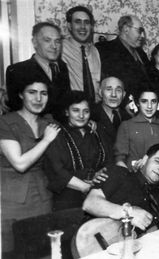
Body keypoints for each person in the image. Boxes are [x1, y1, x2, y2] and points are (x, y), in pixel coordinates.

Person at [0, 79, 60, 254]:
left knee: (42, 251)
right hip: (10, 201)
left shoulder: (48, 122)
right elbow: (19, 163)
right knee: (12, 252)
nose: (38, 99)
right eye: (32, 92)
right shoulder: (5, 122)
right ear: (20, 94)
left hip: (43, 197)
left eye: (44, 93)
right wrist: (47, 139)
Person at [83, 143, 159, 231]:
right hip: (94, 243)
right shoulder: (119, 173)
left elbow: (158, 235)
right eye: (157, 161)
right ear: (145, 159)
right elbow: (90, 203)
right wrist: (129, 213)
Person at [44, 91, 113, 211]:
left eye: (86, 111)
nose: (81, 116)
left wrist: (100, 174)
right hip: (68, 198)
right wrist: (86, 187)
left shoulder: (96, 132)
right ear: (66, 112)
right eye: (75, 110)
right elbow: (57, 172)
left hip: (97, 196)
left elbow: (109, 160)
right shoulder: (57, 135)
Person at [6, 22, 71, 119]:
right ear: (35, 42)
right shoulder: (17, 71)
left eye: (57, 41)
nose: (54, 46)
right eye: (47, 40)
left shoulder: (63, 68)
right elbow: (17, 113)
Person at [96, 15, 149, 109]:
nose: (142, 36)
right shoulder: (105, 49)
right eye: (139, 31)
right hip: (120, 109)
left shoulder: (141, 53)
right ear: (126, 29)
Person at [114, 88, 159, 171]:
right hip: (132, 178)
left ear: (158, 103)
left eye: (153, 101)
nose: (149, 106)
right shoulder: (127, 125)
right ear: (137, 103)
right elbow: (119, 159)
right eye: (144, 101)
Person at [62, 6, 101, 103]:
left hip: (95, 109)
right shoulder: (60, 48)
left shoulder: (95, 51)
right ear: (69, 26)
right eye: (78, 22)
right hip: (72, 108)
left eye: (87, 22)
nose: (83, 27)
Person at [90, 76, 131, 142]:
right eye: (109, 89)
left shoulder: (129, 119)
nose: (114, 95)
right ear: (100, 92)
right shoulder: (90, 117)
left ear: (124, 94)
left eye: (118, 90)